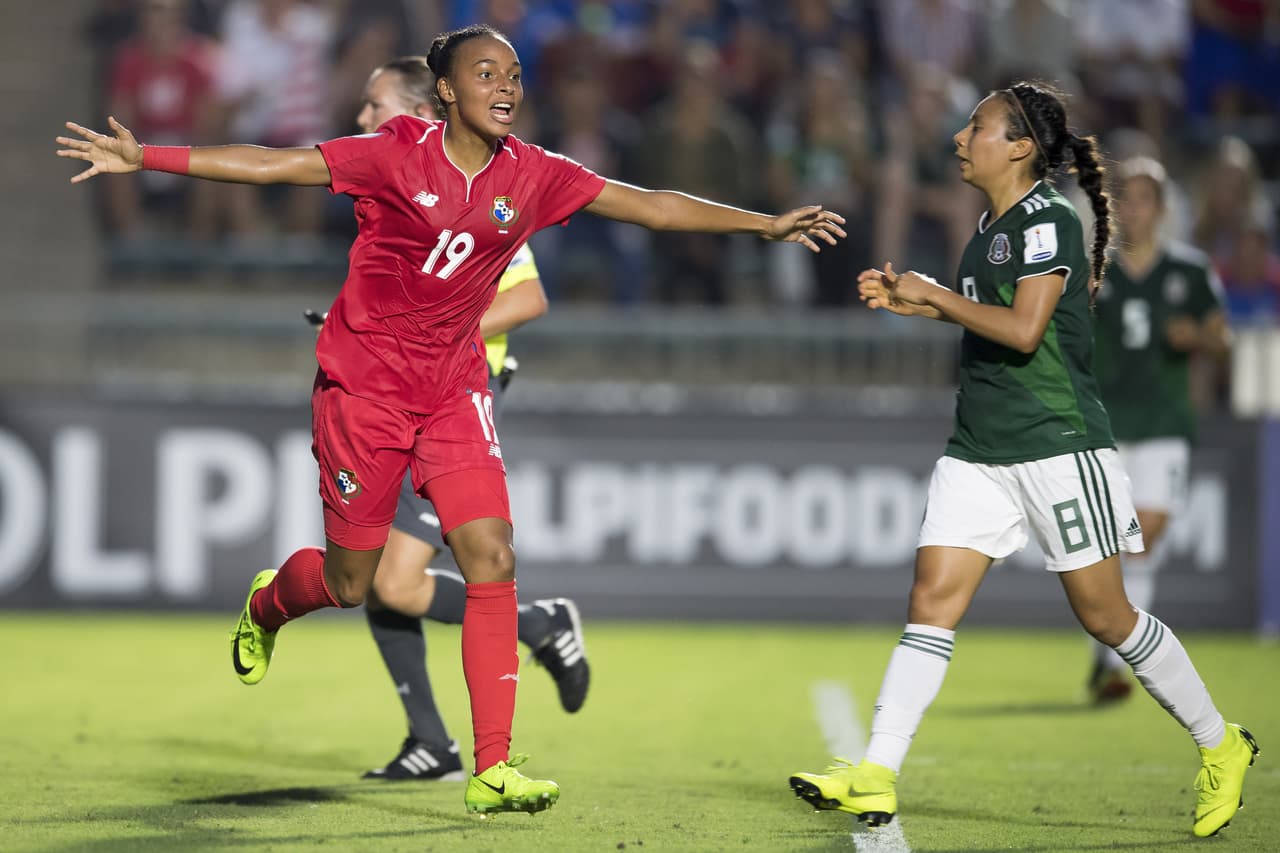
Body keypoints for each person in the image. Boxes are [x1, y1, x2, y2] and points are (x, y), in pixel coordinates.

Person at [57, 24, 845, 817]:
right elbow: (275, 165)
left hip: (454, 389)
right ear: (446, 91)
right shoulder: (396, 151)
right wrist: (147, 156)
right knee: (352, 581)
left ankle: (492, 765)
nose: (506, 86)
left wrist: (764, 224)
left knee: (492, 555)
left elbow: (654, 208)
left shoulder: (533, 173)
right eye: (484, 73)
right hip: (363, 391)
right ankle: (270, 603)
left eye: (512, 73)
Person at [787, 82, 1256, 839]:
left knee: (1107, 614)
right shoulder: (988, 227)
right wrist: (924, 303)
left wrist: (938, 294)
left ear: (1021, 147)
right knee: (932, 598)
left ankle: (1220, 742)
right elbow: (988, 323)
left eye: (978, 126)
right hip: (980, 445)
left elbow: (1027, 329)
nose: (961, 136)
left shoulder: (1049, 219)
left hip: (1055, 442)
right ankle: (875, 772)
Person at [347, 56, 589, 783]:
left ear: (424, 109)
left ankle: (539, 626)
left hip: (454, 394)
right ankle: (430, 740)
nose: (363, 119)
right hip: (398, 390)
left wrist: (428, 324)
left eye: (375, 104)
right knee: (371, 569)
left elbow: (528, 295)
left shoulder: (477, 181)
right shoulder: (398, 181)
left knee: (392, 579)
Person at [1086, 156, 1230, 703]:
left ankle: (1116, 659)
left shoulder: (1189, 271)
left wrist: (1196, 334)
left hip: (1166, 420)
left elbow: (1223, 340)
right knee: (1108, 545)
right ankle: (1111, 659)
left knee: (1143, 537)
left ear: (1162, 209)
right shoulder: (1096, 271)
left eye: (1144, 198)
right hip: (1106, 423)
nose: (1133, 209)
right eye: (1124, 198)